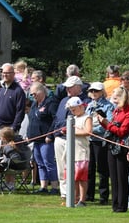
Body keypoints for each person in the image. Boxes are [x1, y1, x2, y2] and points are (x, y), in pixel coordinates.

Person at [51, 76, 89, 205]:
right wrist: (53, 134)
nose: (67, 89)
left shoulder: (84, 101)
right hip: (60, 137)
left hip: (75, 140)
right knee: (63, 169)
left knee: (77, 172)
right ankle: (65, 194)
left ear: (79, 87)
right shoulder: (63, 101)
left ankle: (76, 197)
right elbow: (57, 118)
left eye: (71, 86)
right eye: (66, 86)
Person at [98, 86, 129, 213]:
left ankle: (122, 204)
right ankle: (115, 203)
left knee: (121, 177)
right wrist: (103, 122)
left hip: (121, 146)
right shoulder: (116, 112)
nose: (114, 102)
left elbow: (122, 131)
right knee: (113, 177)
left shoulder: (128, 112)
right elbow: (111, 128)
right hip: (112, 146)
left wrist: (107, 124)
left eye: (116, 99)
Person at [28, 82, 59, 195]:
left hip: (46, 140)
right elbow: (31, 120)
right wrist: (29, 134)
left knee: (49, 163)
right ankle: (43, 186)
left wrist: (50, 135)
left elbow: (55, 120)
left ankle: (55, 186)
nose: (33, 96)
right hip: (36, 139)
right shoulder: (34, 104)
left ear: (41, 92)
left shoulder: (50, 103)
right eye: (31, 94)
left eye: (34, 93)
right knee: (40, 163)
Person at [86, 82, 113, 204]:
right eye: (91, 91)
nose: (93, 93)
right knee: (89, 168)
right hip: (89, 140)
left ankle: (103, 196)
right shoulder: (89, 105)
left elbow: (108, 123)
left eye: (96, 91)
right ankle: (89, 194)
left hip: (101, 140)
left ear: (102, 92)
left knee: (102, 169)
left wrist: (91, 130)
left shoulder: (108, 106)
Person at [0, 63, 27, 140]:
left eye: (7, 73)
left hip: (8, 130)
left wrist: (13, 128)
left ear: (13, 74)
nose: (5, 75)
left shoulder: (18, 91)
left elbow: (20, 112)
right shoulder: (0, 90)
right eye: (3, 73)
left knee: (8, 151)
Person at [67, 97, 92, 205]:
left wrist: (72, 132)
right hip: (72, 151)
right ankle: (74, 198)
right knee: (73, 177)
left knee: (81, 177)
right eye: (71, 110)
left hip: (82, 151)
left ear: (81, 106)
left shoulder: (87, 117)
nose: (72, 111)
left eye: (74, 109)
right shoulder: (73, 118)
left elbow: (88, 131)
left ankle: (82, 199)